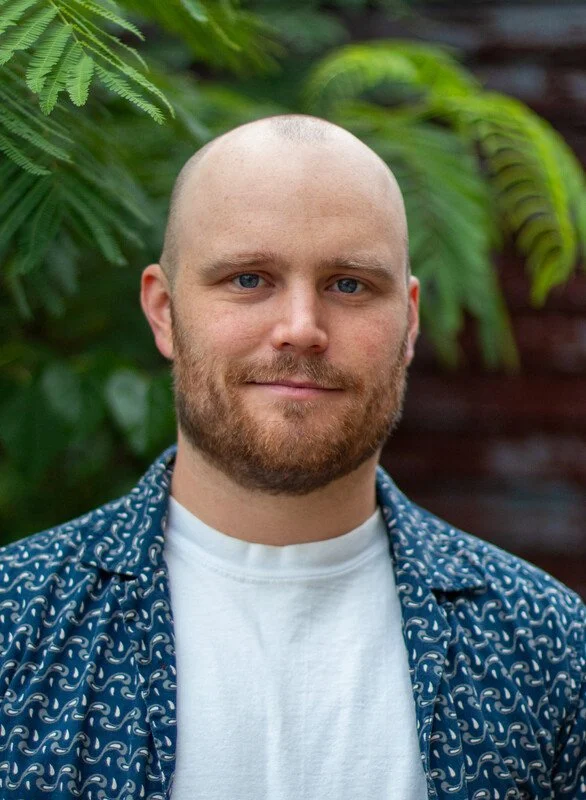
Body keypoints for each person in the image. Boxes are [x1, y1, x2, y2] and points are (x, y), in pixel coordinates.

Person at [0, 114, 584, 800]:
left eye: (349, 285)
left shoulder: (548, 650)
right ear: (163, 311)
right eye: (249, 279)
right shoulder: (16, 623)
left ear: (409, 322)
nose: (301, 329)